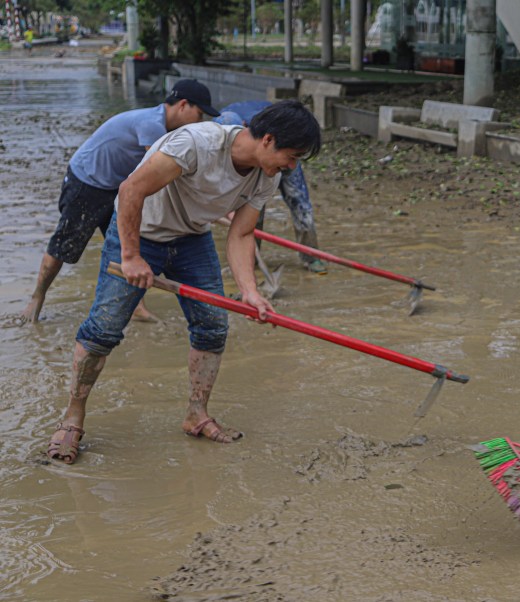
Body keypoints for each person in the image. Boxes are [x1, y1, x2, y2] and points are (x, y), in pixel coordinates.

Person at [45, 100, 322, 464]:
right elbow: (130, 190)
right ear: (268, 139)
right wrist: (130, 256)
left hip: (192, 237)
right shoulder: (196, 144)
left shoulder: (265, 176)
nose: (292, 166)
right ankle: (73, 416)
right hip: (139, 232)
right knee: (104, 329)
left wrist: (250, 292)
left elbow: (241, 235)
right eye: (292, 156)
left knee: (212, 328)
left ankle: (196, 413)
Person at [20, 79, 218, 324]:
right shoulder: (152, 124)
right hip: (87, 183)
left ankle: (137, 307)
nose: (200, 122)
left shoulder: (169, 132)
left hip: (118, 188)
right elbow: (163, 176)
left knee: (130, 243)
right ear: (183, 105)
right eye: (199, 114)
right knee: (64, 247)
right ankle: (37, 297)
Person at [214, 101, 327, 273]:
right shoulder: (220, 133)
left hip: (282, 151)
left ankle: (311, 256)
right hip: (260, 154)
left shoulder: (237, 126)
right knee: (251, 209)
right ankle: (250, 258)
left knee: (300, 204)